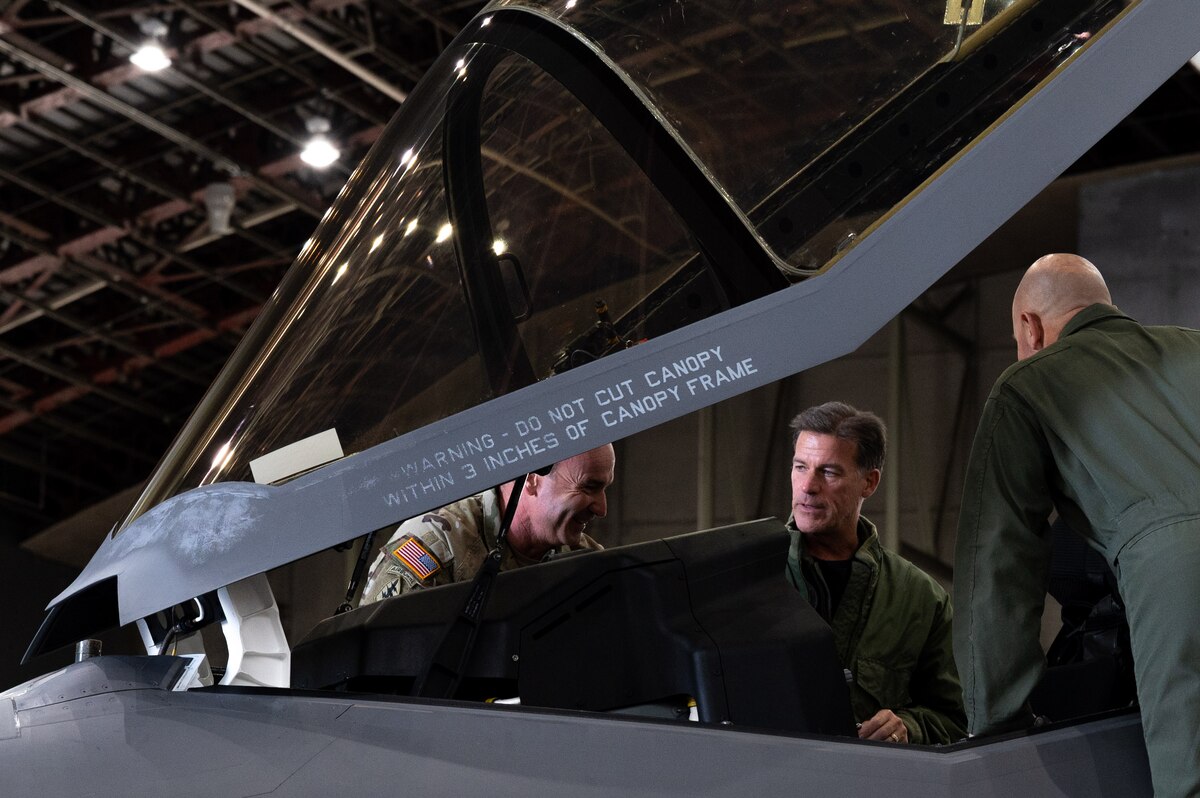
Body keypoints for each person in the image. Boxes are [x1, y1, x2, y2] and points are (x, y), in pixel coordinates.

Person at [954, 253, 1200, 797]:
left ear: (1030, 326)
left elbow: (997, 561)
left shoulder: (1028, 383)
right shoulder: (1194, 344)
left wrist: (997, 723)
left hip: (1179, 581)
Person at [785, 402, 966, 745]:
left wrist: (907, 727)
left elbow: (956, 718)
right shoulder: (747, 576)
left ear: (869, 483)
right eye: (799, 467)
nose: (807, 486)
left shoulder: (920, 598)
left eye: (829, 472)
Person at [359, 444, 616, 605]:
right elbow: (378, 668)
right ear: (531, 480)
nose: (601, 509)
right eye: (589, 487)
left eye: (604, 489)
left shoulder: (586, 561)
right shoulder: (436, 545)